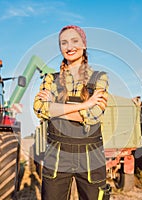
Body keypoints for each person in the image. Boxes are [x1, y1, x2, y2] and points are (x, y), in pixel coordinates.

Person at [33, 25, 110, 200]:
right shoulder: (50, 79)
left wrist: (54, 108)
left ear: (84, 45)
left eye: (75, 41)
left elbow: (94, 115)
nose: (69, 47)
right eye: (64, 43)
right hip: (57, 154)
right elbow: (39, 108)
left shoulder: (100, 77)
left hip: (91, 155)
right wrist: (85, 105)